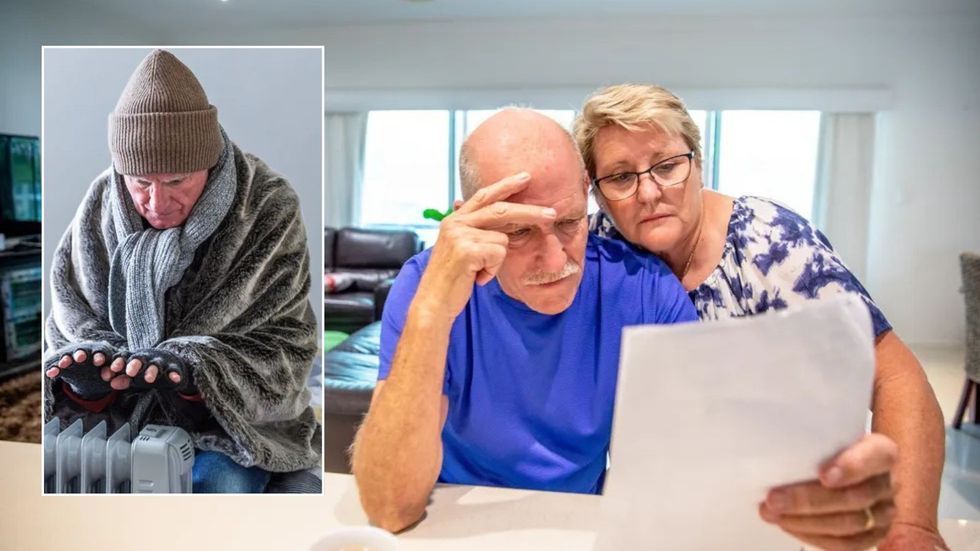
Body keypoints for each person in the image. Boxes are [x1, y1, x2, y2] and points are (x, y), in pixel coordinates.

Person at [575, 83, 946, 550]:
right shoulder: (597, 244)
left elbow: (895, 376)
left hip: (780, 506)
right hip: (662, 513)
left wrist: (911, 529)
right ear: (598, 192)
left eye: (668, 166)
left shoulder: (770, 244)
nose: (648, 191)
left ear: (697, 162)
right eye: (622, 177)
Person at [351, 108, 698, 531]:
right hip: (449, 523)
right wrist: (432, 312)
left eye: (570, 222)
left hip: (580, 527)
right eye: (518, 231)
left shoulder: (643, 288)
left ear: (587, 191)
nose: (555, 261)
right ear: (470, 219)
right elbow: (389, 507)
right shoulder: (427, 282)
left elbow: (680, 477)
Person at [43, 49, 320, 493]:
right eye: (140, 181)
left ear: (208, 164)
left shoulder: (268, 204)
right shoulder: (99, 201)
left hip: (231, 430)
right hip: (115, 421)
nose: (156, 202)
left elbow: (286, 342)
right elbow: (69, 314)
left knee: (214, 485)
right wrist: (89, 379)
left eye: (176, 182)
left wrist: (197, 374)